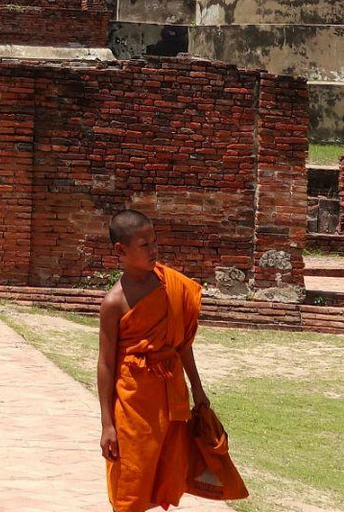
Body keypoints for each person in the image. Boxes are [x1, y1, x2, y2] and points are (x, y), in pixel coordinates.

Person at [97, 209, 214, 511]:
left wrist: (197, 388)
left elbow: (182, 343)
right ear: (120, 250)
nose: (154, 250)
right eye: (144, 245)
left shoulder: (170, 285)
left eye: (154, 242)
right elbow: (106, 364)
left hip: (171, 394)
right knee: (131, 479)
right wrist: (107, 424)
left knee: (164, 473)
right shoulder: (114, 303)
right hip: (134, 400)